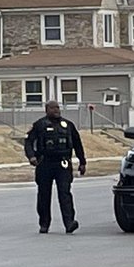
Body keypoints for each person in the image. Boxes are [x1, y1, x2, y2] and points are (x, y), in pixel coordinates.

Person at [25, 100, 86, 233]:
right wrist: (31, 157)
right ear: (46, 110)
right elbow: (29, 142)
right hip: (44, 163)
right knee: (44, 195)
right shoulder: (39, 125)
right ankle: (44, 224)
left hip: (63, 163)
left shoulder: (68, 125)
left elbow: (77, 144)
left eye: (57, 107)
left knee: (65, 193)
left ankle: (69, 223)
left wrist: (82, 162)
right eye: (52, 108)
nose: (56, 110)